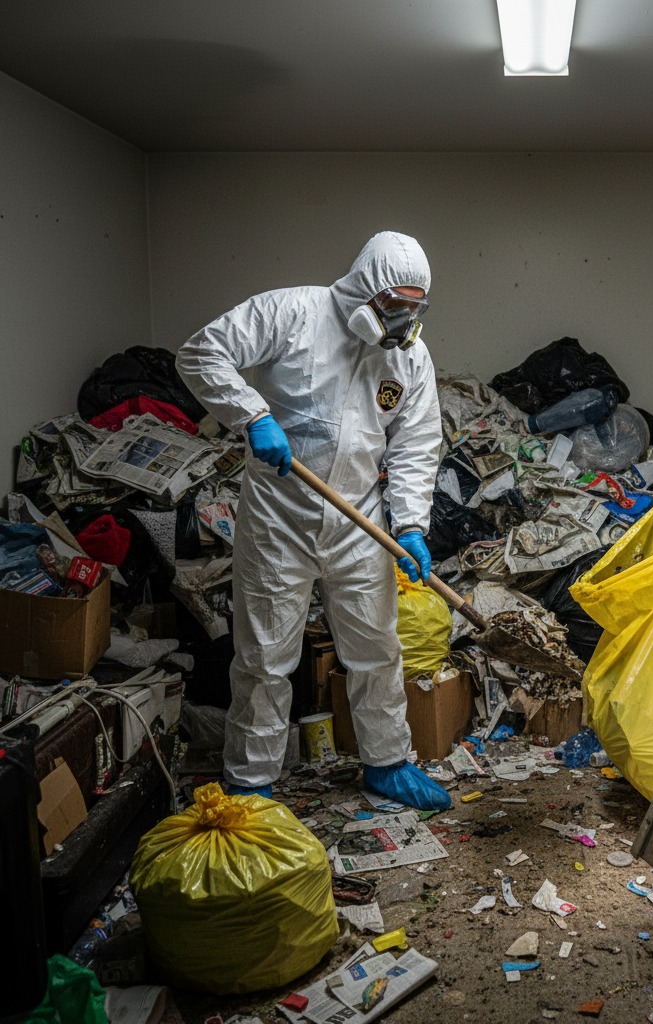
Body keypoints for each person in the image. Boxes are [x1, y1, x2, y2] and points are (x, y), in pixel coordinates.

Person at [176, 230, 451, 810]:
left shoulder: (410, 356)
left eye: (413, 308)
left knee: (376, 650)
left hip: (360, 522)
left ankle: (387, 763)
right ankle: (250, 781)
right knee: (266, 655)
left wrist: (410, 526)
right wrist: (251, 416)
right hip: (281, 517)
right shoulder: (291, 312)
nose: (401, 319)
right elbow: (201, 352)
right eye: (393, 305)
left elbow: (416, 443)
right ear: (364, 290)